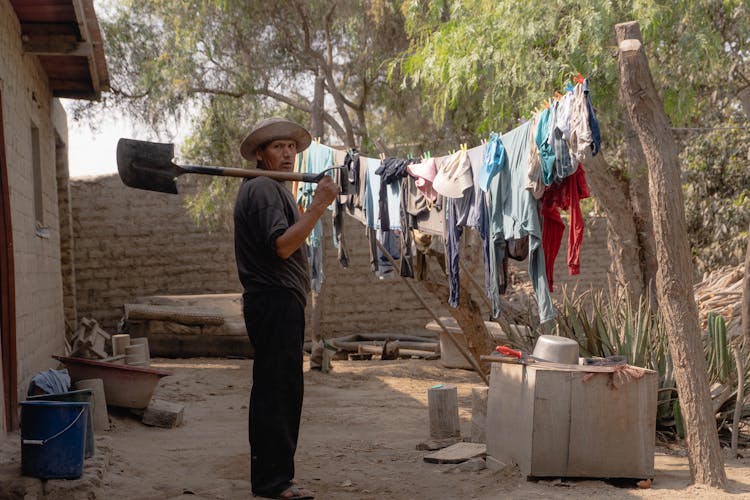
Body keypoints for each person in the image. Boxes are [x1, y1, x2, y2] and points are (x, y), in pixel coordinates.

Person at [234, 117, 339, 500]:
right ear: (260, 155)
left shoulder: (273, 190)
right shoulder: (262, 188)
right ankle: (274, 483)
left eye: (291, 148)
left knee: (278, 389)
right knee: (277, 391)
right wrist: (321, 206)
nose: (288, 154)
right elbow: (282, 246)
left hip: (280, 300)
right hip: (274, 299)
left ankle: (273, 478)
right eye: (277, 147)